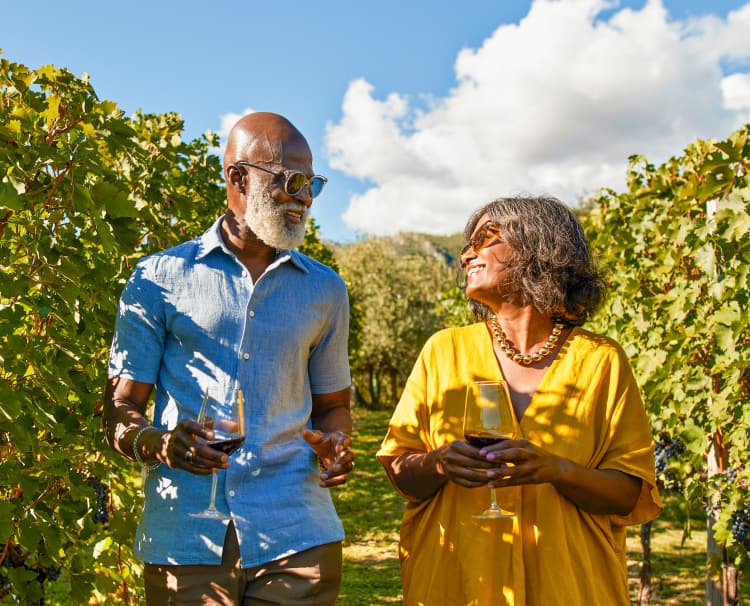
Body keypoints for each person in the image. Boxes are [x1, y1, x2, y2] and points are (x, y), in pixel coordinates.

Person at [103, 112, 355, 605]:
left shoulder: (326, 289)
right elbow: (119, 409)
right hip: (186, 536)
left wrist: (337, 442)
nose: (304, 197)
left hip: (297, 533)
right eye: (290, 180)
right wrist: (158, 444)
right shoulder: (158, 277)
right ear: (238, 177)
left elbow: (333, 406)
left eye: (312, 184)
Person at [377, 195, 662, 605]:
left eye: (485, 239)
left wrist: (558, 470)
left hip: (572, 587)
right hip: (458, 585)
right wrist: (439, 463)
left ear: (539, 248)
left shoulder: (601, 361)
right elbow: (401, 472)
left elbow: (629, 494)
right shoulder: (444, 351)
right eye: (466, 245)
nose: (466, 255)